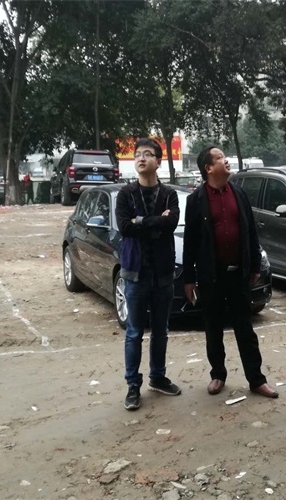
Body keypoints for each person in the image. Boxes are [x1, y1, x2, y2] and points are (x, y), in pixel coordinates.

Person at [182, 146, 279, 399]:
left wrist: (255, 265)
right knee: (213, 328)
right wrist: (189, 279)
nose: (226, 160)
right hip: (211, 276)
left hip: (239, 275)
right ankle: (218, 375)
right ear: (208, 168)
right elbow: (190, 241)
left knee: (245, 328)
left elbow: (251, 231)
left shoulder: (239, 193)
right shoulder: (196, 200)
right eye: (219, 158)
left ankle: (256, 379)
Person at [115, 137, 181, 411]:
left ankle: (158, 377)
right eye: (137, 155)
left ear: (158, 161)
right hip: (135, 273)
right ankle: (133, 385)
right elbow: (124, 227)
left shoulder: (169, 194)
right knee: (134, 332)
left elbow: (172, 223)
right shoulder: (126, 194)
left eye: (147, 154)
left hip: (163, 273)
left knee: (161, 331)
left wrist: (140, 221)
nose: (141, 158)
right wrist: (155, 222)